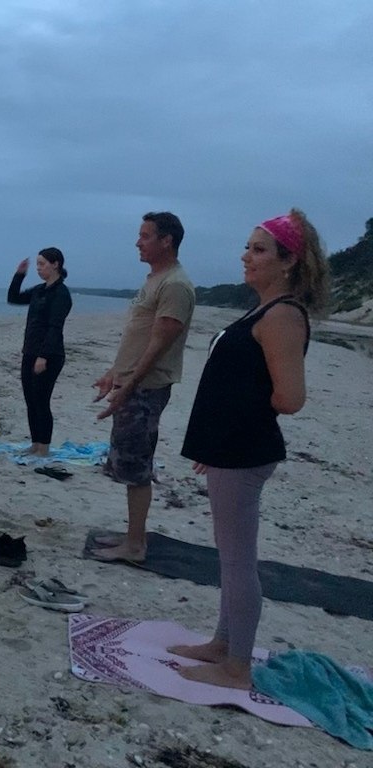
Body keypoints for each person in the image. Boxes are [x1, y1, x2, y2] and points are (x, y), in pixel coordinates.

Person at [168, 209, 329, 690]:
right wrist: (217, 442)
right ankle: (223, 644)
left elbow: (289, 398)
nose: (246, 257)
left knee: (239, 561)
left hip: (246, 453)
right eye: (247, 247)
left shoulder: (282, 316)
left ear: (289, 261)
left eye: (259, 250)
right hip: (232, 450)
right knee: (230, 556)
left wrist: (232, 435)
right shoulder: (264, 309)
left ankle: (237, 667)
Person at [91, 212, 195, 563]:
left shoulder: (175, 285)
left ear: (167, 240)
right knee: (127, 464)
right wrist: (114, 373)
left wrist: (129, 385)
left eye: (145, 236)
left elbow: (159, 344)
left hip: (146, 389)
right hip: (133, 384)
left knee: (137, 469)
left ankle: (135, 545)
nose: (138, 242)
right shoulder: (155, 279)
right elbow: (138, 337)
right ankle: (132, 534)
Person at [7, 247, 73, 457]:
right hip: (30, 351)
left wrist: (43, 357)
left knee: (41, 400)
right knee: (31, 401)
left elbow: (55, 327)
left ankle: (44, 446)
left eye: (42, 264)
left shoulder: (61, 294)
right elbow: (13, 298)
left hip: (49, 356)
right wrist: (19, 275)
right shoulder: (39, 290)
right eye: (37, 264)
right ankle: (35, 443)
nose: (38, 268)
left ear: (55, 264)